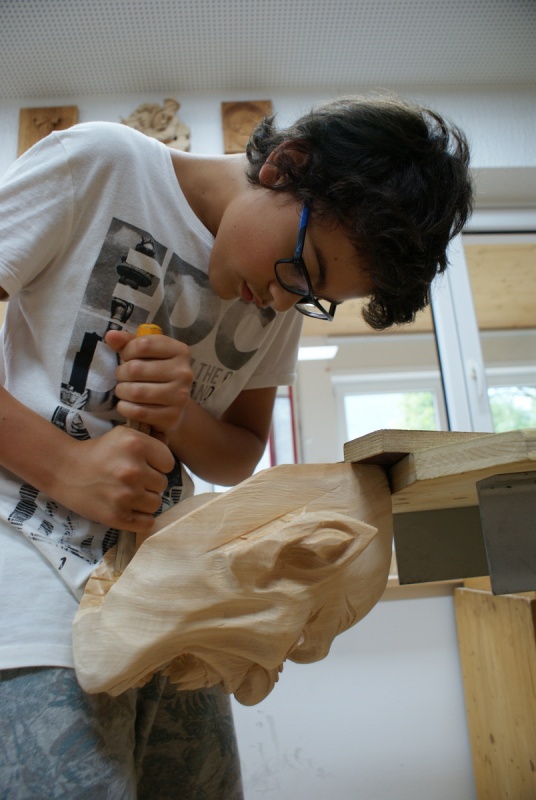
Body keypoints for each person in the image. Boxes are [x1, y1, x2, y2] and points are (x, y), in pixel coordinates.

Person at [0, 92, 473, 798]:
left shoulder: (279, 295)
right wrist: (67, 466)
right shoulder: (98, 164)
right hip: (26, 565)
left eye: (315, 297)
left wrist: (183, 411)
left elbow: (240, 452)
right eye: (305, 269)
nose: (286, 301)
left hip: (174, 592)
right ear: (285, 166)